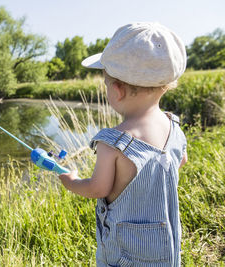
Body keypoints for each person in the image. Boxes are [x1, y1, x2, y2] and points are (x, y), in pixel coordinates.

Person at [58, 22, 188, 266]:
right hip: (167, 247)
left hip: (125, 254)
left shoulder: (114, 141)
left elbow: (98, 189)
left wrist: (71, 181)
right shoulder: (174, 126)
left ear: (117, 90)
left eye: (106, 85)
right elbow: (180, 160)